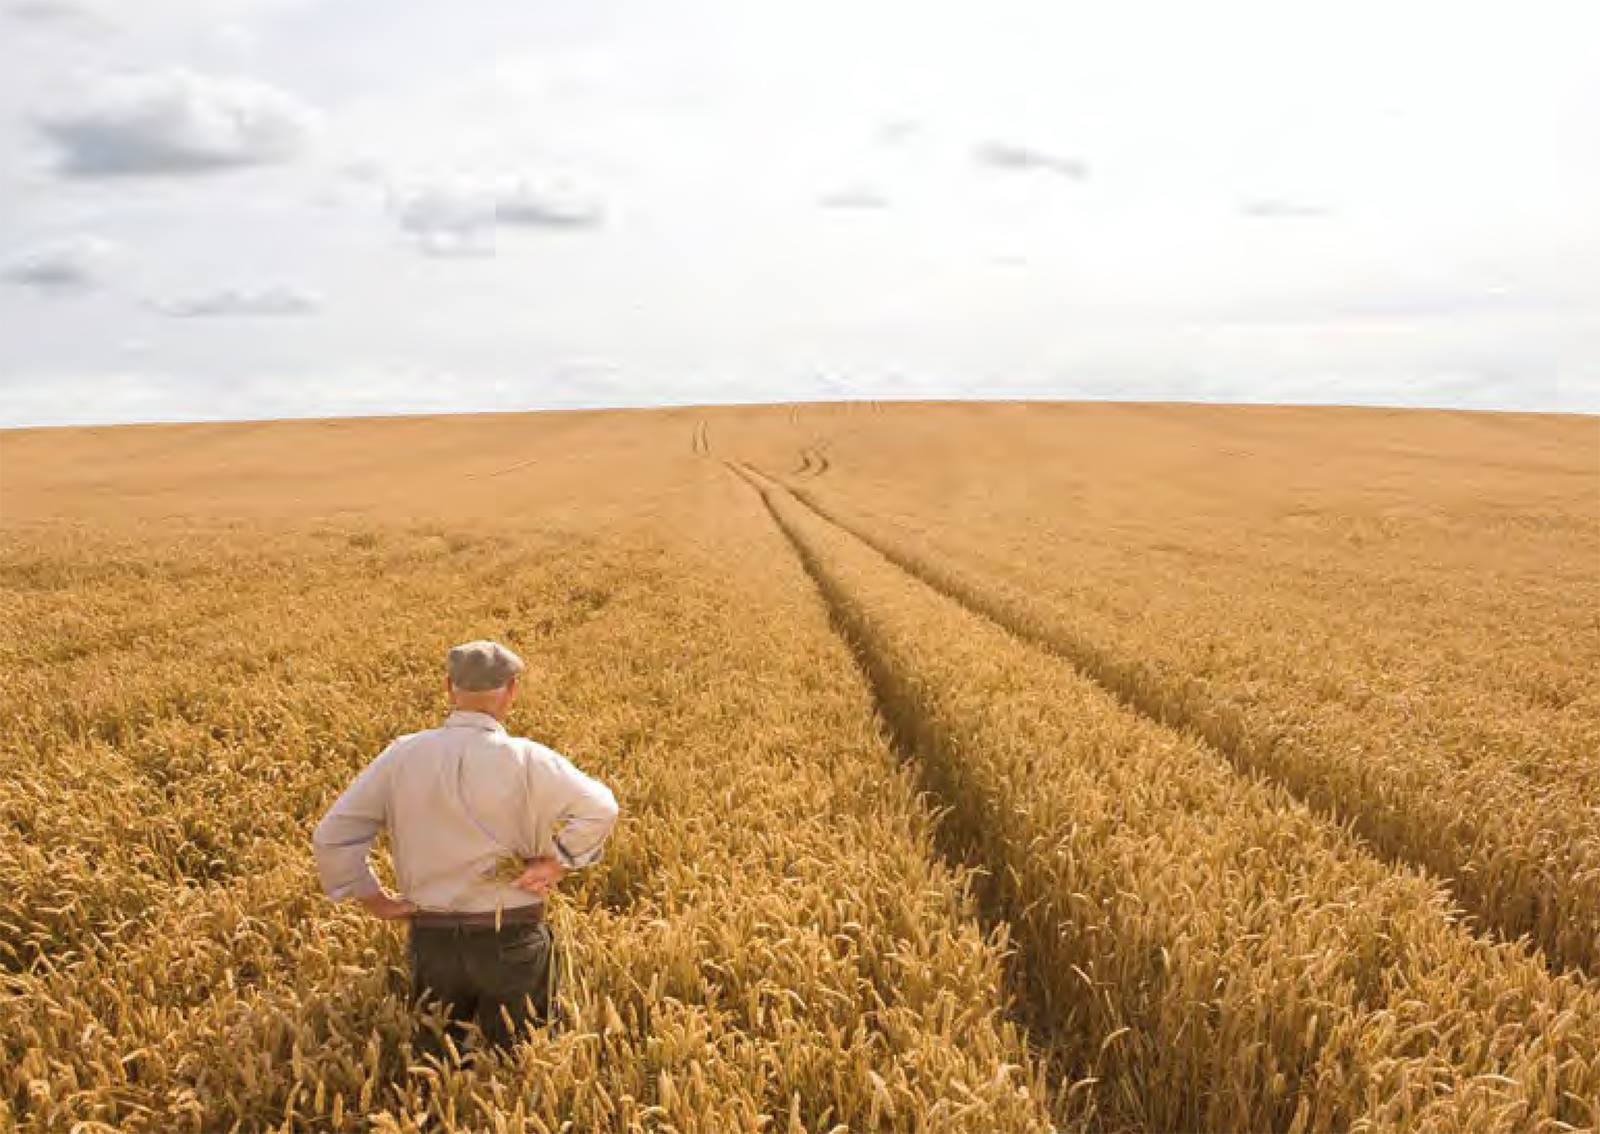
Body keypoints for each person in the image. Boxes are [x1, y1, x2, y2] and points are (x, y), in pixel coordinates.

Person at [312, 639, 619, 1056]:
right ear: (512, 689)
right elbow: (602, 807)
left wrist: (375, 901)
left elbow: (331, 836)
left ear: (449, 688)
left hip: (433, 941)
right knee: (518, 1068)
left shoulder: (402, 756)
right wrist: (558, 863)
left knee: (438, 1070)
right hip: (512, 937)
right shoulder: (528, 759)